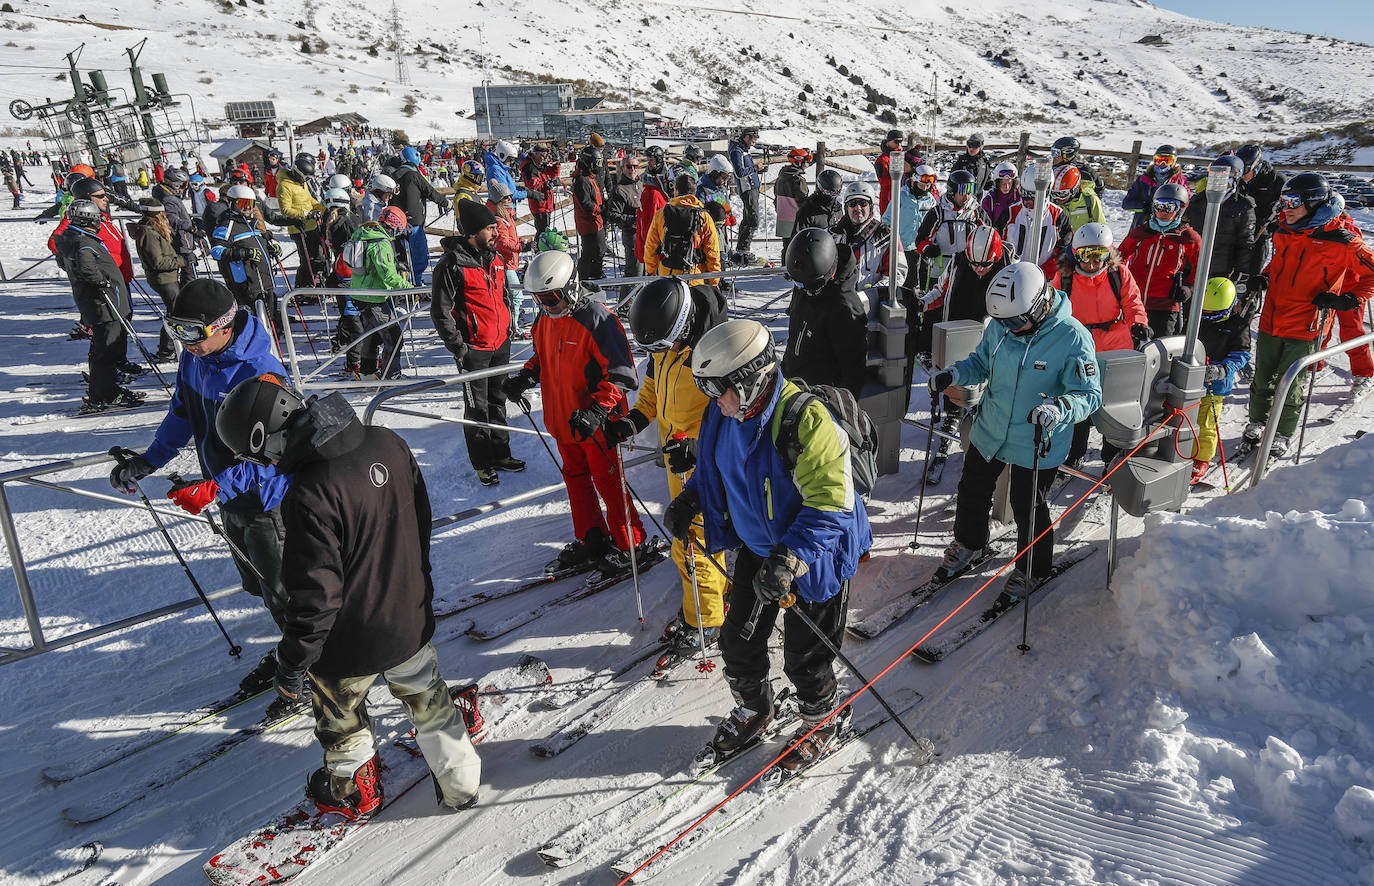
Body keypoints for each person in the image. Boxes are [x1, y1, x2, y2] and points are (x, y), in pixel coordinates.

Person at [215, 374, 480, 818]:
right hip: (405, 619)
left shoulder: (309, 492)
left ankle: (354, 788)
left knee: (340, 719)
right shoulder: (387, 442)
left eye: (253, 452)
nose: (262, 462)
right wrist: (418, 588)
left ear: (266, 435)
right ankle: (461, 783)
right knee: (428, 701)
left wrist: (293, 663)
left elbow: (316, 595)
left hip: (345, 644)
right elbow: (420, 526)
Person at [665, 318, 872, 770]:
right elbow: (714, 468)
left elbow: (831, 503)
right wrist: (691, 500)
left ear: (751, 377)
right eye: (710, 391)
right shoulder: (723, 415)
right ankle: (756, 708)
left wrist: (789, 558)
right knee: (737, 639)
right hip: (761, 548)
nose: (716, 402)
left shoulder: (806, 419)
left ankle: (825, 717)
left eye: (722, 390)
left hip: (813, 556)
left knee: (806, 655)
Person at [108, 278, 294, 695]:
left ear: (223, 326)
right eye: (176, 331)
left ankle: (310, 667)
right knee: (262, 586)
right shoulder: (196, 360)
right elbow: (183, 414)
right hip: (232, 498)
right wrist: (148, 460)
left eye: (191, 332)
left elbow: (278, 457)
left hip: (268, 503)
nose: (183, 342)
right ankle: (295, 648)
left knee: (288, 593)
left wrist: (215, 488)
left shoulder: (260, 372)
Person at [929, 262, 1101, 600]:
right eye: (1003, 322)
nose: (1008, 328)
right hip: (991, 427)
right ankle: (970, 544)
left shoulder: (1072, 336)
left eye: (1016, 321)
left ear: (1039, 305)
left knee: (1028, 506)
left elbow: (1090, 394)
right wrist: (954, 374)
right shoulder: (1002, 326)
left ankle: (1033, 568)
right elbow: (980, 363)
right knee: (972, 489)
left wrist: (1060, 408)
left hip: (1036, 438)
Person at [501, 250, 651, 576]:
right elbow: (543, 358)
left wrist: (597, 411)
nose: (545, 306)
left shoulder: (599, 320)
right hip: (564, 420)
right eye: (539, 299)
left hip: (596, 423)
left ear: (570, 287)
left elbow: (622, 374)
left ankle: (631, 544)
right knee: (576, 480)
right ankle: (591, 536)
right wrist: (525, 377)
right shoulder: (545, 320)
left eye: (551, 298)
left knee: (609, 484)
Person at [607, 278, 730, 654]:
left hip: (706, 468)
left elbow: (734, 423)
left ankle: (706, 622)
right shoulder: (668, 344)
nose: (657, 352)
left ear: (685, 325)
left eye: (662, 346)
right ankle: (712, 598)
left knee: (694, 544)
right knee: (692, 539)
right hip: (679, 463)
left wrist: (695, 450)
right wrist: (634, 420)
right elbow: (652, 388)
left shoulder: (716, 360)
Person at [1244, 173, 1374, 457]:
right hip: (1272, 318)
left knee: (1291, 383)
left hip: (1307, 324)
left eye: (1293, 201)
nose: (1286, 207)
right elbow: (1277, 262)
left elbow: (1372, 273)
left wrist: (1350, 298)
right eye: (1283, 200)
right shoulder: (1284, 231)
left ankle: (1283, 432)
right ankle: (1257, 421)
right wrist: (1265, 278)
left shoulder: (1342, 240)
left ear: (1314, 204)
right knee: (1262, 376)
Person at [430, 199, 525, 486]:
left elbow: (505, 295)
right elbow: (440, 310)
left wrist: (508, 327)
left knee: (498, 401)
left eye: (496, 227)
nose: (496, 233)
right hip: (474, 349)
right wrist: (459, 347)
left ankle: (501, 452)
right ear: (473, 232)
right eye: (489, 228)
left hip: (500, 344)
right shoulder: (451, 264)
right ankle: (483, 461)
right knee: (477, 407)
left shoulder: (495, 258)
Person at [1058, 222, 1150, 467]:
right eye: (1086, 255)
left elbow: (1132, 302)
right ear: (1075, 254)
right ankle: (1074, 451)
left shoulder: (1118, 274)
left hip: (1115, 344)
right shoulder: (1065, 277)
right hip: (1079, 347)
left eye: (1099, 256)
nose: (1092, 263)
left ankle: (1111, 455)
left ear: (1108, 255)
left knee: (1114, 402)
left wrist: (1138, 323)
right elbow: (1052, 309)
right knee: (1079, 400)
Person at [916, 225, 1012, 421]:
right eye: (974, 263)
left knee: (989, 377)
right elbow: (941, 290)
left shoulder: (1010, 268)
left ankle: (985, 415)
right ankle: (953, 414)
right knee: (956, 373)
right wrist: (923, 303)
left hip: (993, 334)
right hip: (959, 329)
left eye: (985, 263)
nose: (978, 268)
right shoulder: (958, 262)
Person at [54, 200, 143, 411]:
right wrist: (102, 280)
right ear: (89, 220)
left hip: (103, 303)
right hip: (104, 304)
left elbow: (65, 262)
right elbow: (86, 267)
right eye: (97, 220)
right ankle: (104, 394)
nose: (100, 223)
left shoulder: (73, 238)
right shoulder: (82, 241)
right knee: (106, 352)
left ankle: (104, 390)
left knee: (104, 350)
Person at [781, 227, 867, 398]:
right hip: (793, 382)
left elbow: (853, 370)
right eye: (797, 284)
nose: (801, 289)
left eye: (807, 286)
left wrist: (841, 410)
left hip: (819, 397)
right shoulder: (807, 283)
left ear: (829, 275)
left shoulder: (844, 307)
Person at [1191, 278, 1255, 484]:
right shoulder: (1197, 318)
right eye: (1205, 313)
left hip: (1214, 384)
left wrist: (1223, 369)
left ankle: (1201, 459)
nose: (1208, 318)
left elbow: (1242, 354)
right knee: (1184, 419)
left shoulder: (1238, 324)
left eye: (1215, 315)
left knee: (1206, 423)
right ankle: (1180, 450)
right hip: (1190, 377)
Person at [1117, 182, 1201, 337]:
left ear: (1181, 209)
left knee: (1159, 349)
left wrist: (1190, 288)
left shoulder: (1187, 237)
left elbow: (1201, 269)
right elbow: (1119, 256)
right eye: (1159, 206)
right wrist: (1119, 282)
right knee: (1129, 345)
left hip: (1165, 305)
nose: (1163, 212)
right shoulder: (1142, 232)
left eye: (1170, 207)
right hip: (1134, 302)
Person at [348, 206, 411, 379]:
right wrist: (410, 288)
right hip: (374, 297)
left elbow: (369, 264)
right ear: (394, 227)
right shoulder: (381, 243)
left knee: (372, 335)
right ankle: (392, 375)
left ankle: (367, 372)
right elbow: (389, 277)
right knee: (394, 338)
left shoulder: (363, 233)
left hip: (358, 294)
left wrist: (394, 264)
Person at [128, 199, 187, 363]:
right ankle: (167, 350)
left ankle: (170, 347)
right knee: (175, 312)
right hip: (163, 279)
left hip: (167, 277)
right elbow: (158, 262)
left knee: (175, 311)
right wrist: (183, 260)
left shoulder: (153, 230)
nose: (165, 216)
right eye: (161, 213)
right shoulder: (148, 233)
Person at [210, 184, 281, 318]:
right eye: (243, 203)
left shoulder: (252, 222)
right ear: (232, 203)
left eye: (251, 203)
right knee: (256, 316)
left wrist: (270, 248)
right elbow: (216, 251)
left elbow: (256, 243)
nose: (248, 207)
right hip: (248, 283)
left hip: (264, 279)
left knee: (270, 311)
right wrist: (243, 253)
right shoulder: (228, 223)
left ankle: (275, 327)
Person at [833, 180, 905, 309]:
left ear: (871, 206)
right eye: (852, 203)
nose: (858, 208)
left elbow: (897, 272)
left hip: (871, 305)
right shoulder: (833, 235)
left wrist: (872, 294)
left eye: (863, 203)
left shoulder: (887, 235)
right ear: (846, 207)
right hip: (837, 304)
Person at [1183, 154, 1255, 283]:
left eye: (1225, 178)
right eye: (1215, 177)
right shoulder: (1197, 201)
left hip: (1222, 271)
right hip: (1193, 268)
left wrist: (1240, 273)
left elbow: (1245, 243)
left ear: (1235, 179)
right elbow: (1182, 230)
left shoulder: (1242, 207)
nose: (1219, 182)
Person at [913, 169, 989, 291]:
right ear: (952, 192)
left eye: (970, 191)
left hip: (967, 269)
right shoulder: (938, 213)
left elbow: (990, 236)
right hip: (940, 270)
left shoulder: (976, 213)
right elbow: (920, 241)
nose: (967, 196)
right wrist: (928, 249)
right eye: (963, 191)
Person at [643, 172, 721, 286]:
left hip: (667, 277)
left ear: (677, 191)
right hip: (694, 278)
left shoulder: (661, 214)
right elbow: (712, 251)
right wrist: (714, 280)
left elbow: (651, 246)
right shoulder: (704, 217)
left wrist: (651, 271)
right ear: (694, 193)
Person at [1004, 166, 1074, 283]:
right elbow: (999, 245)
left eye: (1032, 198)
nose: (1027, 202)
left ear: (1045, 194)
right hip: (1011, 277)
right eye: (1024, 196)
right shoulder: (1010, 214)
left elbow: (1063, 253)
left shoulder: (1058, 217)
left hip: (1044, 280)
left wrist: (1041, 273)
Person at [390, 146, 451, 279]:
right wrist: (446, 203)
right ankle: (416, 283)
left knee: (402, 256)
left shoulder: (393, 175)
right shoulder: (413, 175)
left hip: (395, 222)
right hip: (414, 221)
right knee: (419, 256)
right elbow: (430, 191)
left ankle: (403, 282)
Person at [884, 163, 938, 293]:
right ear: (914, 182)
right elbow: (887, 218)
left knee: (925, 275)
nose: (925, 188)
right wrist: (888, 231)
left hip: (923, 245)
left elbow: (936, 221)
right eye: (922, 185)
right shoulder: (901, 196)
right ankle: (907, 301)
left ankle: (925, 301)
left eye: (928, 185)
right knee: (909, 278)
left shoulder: (930, 200)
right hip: (905, 245)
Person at [276, 152, 328, 287]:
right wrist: (305, 214)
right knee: (307, 260)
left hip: (312, 225)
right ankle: (301, 286)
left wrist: (322, 209)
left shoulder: (300, 183)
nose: (305, 180)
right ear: (296, 173)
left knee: (318, 257)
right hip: (299, 228)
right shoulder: (284, 186)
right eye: (304, 177)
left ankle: (314, 283)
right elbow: (285, 210)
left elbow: (309, 199)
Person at [1122, 144, 1191, 229]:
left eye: (1167, 160)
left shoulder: (1179, 182)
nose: (1162, 164)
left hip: (1169, 226)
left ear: (1174, 162)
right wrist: (1144, 207)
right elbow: (1126, 203)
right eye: (1159, 160)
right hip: (1143, 225)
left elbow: (1187, 204)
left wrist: (1172, 208)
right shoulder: (1143, 180)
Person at [153, 167, 198, 286]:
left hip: (179, 239)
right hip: (181, 241)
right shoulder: (169, 199)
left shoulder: (167, 195)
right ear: (175, 184)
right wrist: (190, 227)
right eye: (182, 186)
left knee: (187, 272)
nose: (184, 189)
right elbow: (173, 219)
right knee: (189, 273)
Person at [727, 126, 765, 265]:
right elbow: (739, 172)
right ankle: (744, 251)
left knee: (748, 218)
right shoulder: (737, 150)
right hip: (747, 189)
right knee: (753, 220)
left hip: (751, 187)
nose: (754, 142)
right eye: (753, 139)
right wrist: (755, 168)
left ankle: (741, 250)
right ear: (746, 137)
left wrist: (757, 171)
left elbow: (745, 170)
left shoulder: (742, 149)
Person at [604, 154, 644, 284]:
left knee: (645, 271)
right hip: (632, 235)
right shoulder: (620, 189)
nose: (632, 169)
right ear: (622, 169)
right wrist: (630, 219)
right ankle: (626, 303)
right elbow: (612, 215)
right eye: (629, 166)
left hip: (646, 233)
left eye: (635, 166)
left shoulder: (641, 185)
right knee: (634, 272)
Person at [636, 145, 673, 269]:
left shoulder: (667, 179)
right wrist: (651, 247)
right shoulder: (651, 191)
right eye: (648, 160)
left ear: (659, 160)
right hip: (656, 244)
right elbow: (648, 224)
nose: (649, 163)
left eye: (651, 160)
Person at [774, 148, 811, 257]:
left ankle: (785, 269)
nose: (807, 164)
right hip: (796, 218)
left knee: (787, 246)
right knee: (798, 246)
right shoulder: (798, 180)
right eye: (806, 161)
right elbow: (803, 200)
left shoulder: (781, 176)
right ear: (799, 161)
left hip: (783, 216)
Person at [1049, 165, 1104, 234]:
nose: (1058, 199)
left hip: (1083, 242)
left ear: (1075, 189)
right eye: (1054, 194)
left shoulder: (1090, 200)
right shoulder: (1052, 201)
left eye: (1063, 194)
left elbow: (1102, 229)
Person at [520, 144, 561, 234]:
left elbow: (552, 173)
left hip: (546, 203)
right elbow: (533, 186)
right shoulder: (530, 167)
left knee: (544, 231)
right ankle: (538, 247)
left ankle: (538, 246)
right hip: (539, 203)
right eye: (542, 155)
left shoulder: (538, 164)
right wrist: (548, 184)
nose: (544, 158)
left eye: (545, 155)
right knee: (542, 232)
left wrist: (556, 162)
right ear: (536, 154)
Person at [794, 169, 844, 233]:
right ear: (821, 189)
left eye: (836, 193)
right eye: (828, 192)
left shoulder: (837, 209)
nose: (832, 196)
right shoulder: (807, 211)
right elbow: (798, 238)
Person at [981, 161, 1022, 232]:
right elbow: (985, 225)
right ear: (997, 183)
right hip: (998, 237)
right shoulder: (989, 200)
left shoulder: (1019, 196)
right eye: (1003, 183)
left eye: (1009, 183)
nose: (1006, 187)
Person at [873, 128, 904, 215]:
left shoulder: (902, 156)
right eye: (896, 141)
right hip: (887, 198)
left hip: (901, 194)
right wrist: (897, 176)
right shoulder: (882, 160)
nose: (899, 144)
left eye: (901, 141)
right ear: (888, 142)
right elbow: (883, 181)